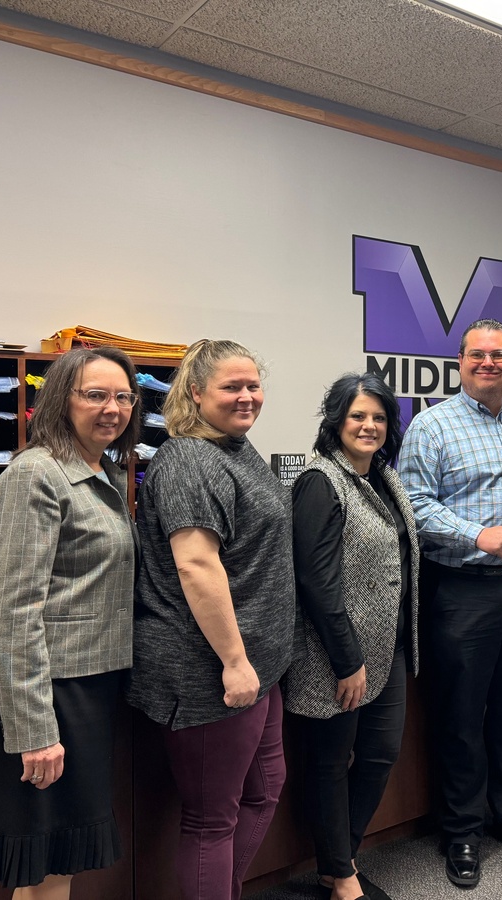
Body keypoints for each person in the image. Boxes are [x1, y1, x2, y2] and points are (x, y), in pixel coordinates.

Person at [0, 347, 141, 898]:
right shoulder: (36, 474)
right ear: (61, 399)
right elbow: (14, 612)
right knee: (39, 858)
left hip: (90, 683)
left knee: (59, 854)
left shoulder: (104, 470)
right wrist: (35, 730)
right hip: (50, 690)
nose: (112, 408)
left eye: (123, 396)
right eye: (95, 395)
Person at [398, 318, 502, 889]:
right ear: (461, 361)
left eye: (498, 355)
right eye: (477, 355)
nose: (488, 363)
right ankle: (463, 830)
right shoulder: (431, 426)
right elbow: (413, 506)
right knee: (461, 716)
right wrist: (477, 534)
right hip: (464, 592)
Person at [128, 339, 295, 900]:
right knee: (210, 818)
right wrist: (234, 661)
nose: (247, 396)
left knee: (266, 787)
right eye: (232, 386)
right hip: (213, 670)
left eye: (253, 385)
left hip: (258, 663)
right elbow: (197, 565)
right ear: (195, 392)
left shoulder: (234, 449)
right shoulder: (187, 459)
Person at [283, 373, 419, 900]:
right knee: (330, 764)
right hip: (337, 657)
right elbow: (315, 580)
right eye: (357, 415)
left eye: (379, 417)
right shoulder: (321, 480)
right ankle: (339, 875)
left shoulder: (382, 475)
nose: (368, 426)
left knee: (381, 756)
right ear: (335, 420)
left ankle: (343, 856)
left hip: (389, 650)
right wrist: (347, 661)